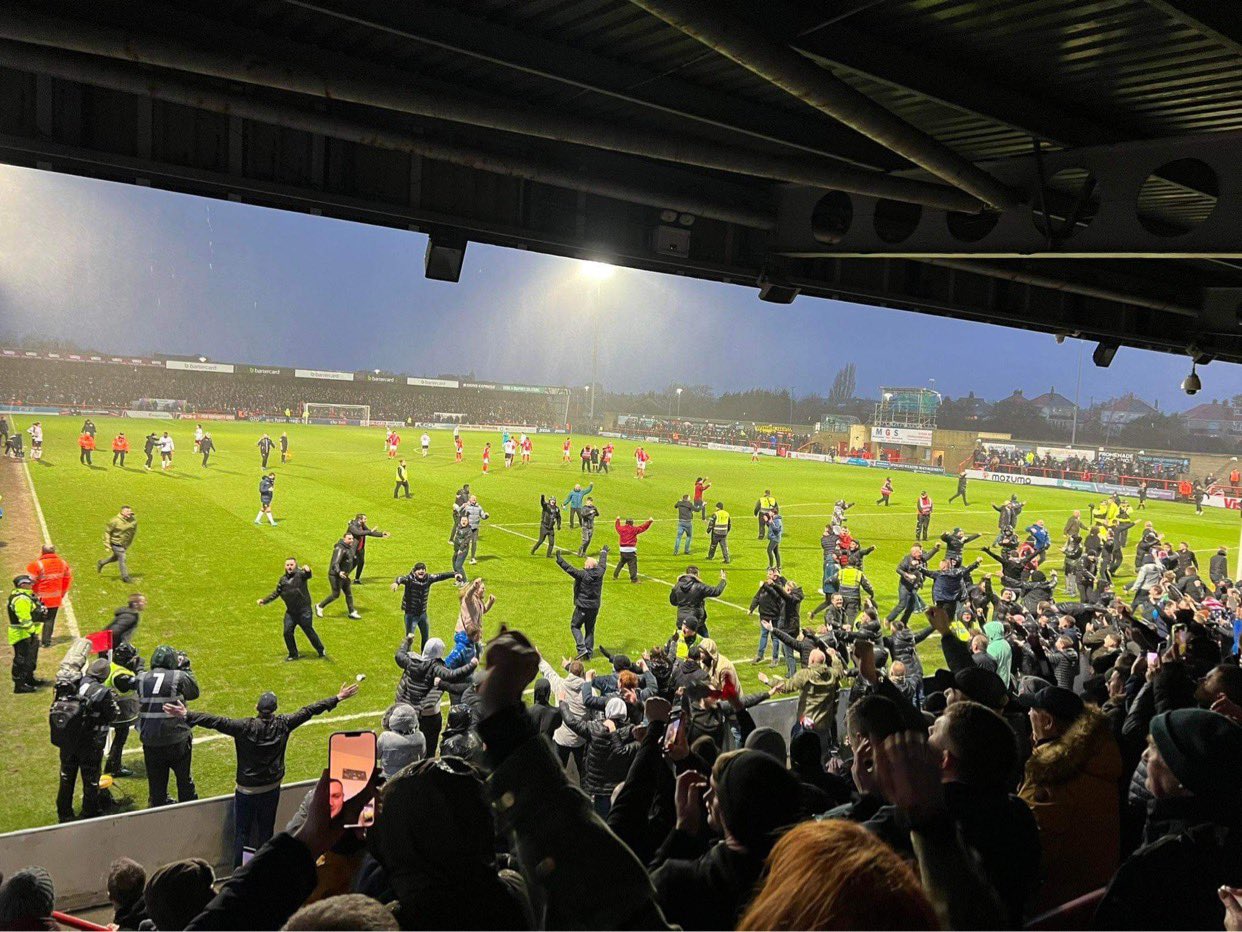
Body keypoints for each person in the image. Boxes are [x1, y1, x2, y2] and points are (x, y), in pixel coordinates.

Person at [166, 681, 358, 866]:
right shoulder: (283, 724)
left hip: (247, 790)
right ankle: (262, 868)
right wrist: (337, 697)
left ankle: (243, 869)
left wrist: (186, 714)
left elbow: (215, 721)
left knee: (243, 834)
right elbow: (309, 710)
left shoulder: (244, 727)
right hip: (271, 789)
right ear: (274, 709)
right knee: (265, 832)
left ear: (257, 707)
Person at [1093, 708, 1242, 930]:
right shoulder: (1229, 833)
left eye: (1155, 747)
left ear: (1183, 774)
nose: (1144, 755)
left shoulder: (1152, 868)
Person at [649, 746, 803, 931]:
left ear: (733, 805)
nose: (706, 796)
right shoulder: (803, 883)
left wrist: (683, 832)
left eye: (715, 792)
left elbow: (641, 903)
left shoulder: (682, 883)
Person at [1017, 685, 1121, 914]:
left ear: (1047, 722)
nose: (1027, 715)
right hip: (1093, 892)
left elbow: (1026, 846)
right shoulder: (1095, 753)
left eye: (1032, 710)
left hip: (1060, 905)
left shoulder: (1053, 773)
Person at [136, 645, 200, 807]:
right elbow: (194, 692)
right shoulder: (178, 676)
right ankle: (189, 807)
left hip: (151, 740)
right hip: (177, 738)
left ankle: (159, 808)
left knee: (156, 784)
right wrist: (186, 667)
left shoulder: (142, 678)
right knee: (184, 779)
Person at [395, 635, 478, 756]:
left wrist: (407, 642)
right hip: (429, 717)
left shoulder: (411, 662)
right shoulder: (435, 667)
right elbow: (452, 675)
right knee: (429, 750)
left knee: (408, 750)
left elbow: (399, 655)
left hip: (410, 712)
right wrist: (471, 665)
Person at [259, 558, 325, 661]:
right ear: (285, 567)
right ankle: (293, 654)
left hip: (304, 611)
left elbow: (308, 575)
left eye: (291, 565)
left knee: (308, 631)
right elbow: (277, 593)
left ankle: (320, 650)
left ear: (295, 565)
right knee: (287, 632)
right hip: (291, 612)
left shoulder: (300, 575)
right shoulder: (283, 580)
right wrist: (264, 600)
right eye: (287, 565)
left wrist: (308, 570)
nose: (289, 567)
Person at [556, 547, 609, 660]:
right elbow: (602, 563)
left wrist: (560, 560)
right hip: (595, 607)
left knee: (575, 626)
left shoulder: (583, 575)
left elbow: (569, 569)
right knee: (590, 629)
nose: (584, 565)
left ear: (589, 566)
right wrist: (603, 552)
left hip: (583, 607)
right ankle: (588, 654)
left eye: (585, 564)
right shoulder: (600, 572)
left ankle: (582, 649)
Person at [391, 561, 459, 647]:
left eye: (423, 569)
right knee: (409, 639)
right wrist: (396, 583)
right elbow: (401, 578)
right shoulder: (409, 579)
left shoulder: (428, 579)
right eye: (419, 569)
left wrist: (454, 574)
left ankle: (424, 657)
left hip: (423, 614)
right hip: (411, 615)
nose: (421, 571)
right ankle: (406, 656)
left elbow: (440, 576)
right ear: (414, 571)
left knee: (426, 637)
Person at [27, 544, 71, 648]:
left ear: (42, 552)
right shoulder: (63, 563)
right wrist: (62, 593)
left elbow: (30, 582)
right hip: (55, 598)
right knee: (50, 620)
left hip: (39, 598)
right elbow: (67, 579)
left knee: (33, 620)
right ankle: (46, 642)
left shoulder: (37, 565)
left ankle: (31, 641)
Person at [8, 574, 45, 693]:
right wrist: (32, 632)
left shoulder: (24, 596)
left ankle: (28, 679)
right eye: (29, 583)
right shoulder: (21, 599)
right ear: (22, 585)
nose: (31, 585)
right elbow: (24, 618)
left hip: (26, 633)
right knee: (21, 660)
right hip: (22, 634)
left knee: (29, 659)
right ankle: (20, 685)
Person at [669, 566, 727, 638]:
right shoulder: (699, 586)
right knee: (705, 644)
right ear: (696, 574)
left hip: (681, 620)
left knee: (682, 643)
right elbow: (716, 591)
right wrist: (723, 580)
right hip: (696, 621)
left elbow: (673, 602)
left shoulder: (677, 586)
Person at [316, 532, 360, 619]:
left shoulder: (349, 547)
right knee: (335, 594)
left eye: (352, 538)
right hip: (335, 575)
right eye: (349, 539)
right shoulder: (340, 548)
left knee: (348, 593)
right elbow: (335, 563)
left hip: (344, 575)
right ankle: (320, 606)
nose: (351, 540)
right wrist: (339, 572)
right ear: (344, 539)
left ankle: (352, 611)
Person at [378, 703, 426, 779]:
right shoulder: (420, 737)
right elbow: (422, 755)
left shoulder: (385, 737)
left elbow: (377, 755)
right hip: (409, 777)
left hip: (389, 779)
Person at [98, 505, 138, 582]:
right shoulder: (115, 521)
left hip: (124, 544)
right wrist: (107, 545)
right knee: (122, 558)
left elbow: (133, 531)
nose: (129, 513)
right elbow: (107, 532)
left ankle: (101, 563)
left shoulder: (133, 520)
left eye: (130, 511)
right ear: (122, 512)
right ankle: (125, 577)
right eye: (127, 511)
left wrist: (128, 542)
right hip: (116, 543)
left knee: (115, 558)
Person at [347, 513, 389, 582]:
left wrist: (381, 534)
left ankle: (357, 579)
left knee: (361, 562)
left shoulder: (362, 524)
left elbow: (368, 532)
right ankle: (343, 576)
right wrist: (370, 531)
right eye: (365, 519)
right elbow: (359, 533)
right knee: (352, 563)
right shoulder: (352, 526)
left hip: (360, 547)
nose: (366, 520)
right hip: (353, 548)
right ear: (360, 519)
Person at [614, 517, 652, 582]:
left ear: (626, 523)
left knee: (621, 562)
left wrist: (617, 520)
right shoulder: (634, 529)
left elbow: (617, 526)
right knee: (632, 565)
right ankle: (634, 579)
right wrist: (649, 522)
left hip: (622, 550)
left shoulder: (622, 529)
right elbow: (643, 527)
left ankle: (615, 575)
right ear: (632, 523)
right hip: (630, 550)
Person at [766, 505, 783, 571]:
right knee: (776, 552)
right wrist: (767, 522)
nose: (769, 513)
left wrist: (771, 523)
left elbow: (777, 530)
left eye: (770, 512)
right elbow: (770, 527)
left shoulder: (777, 521)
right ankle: (778, 566)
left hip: (775, 538)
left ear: (773, 513)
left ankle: (770, 566)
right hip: (774, 538)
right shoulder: (773, 519)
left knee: (769, 550)